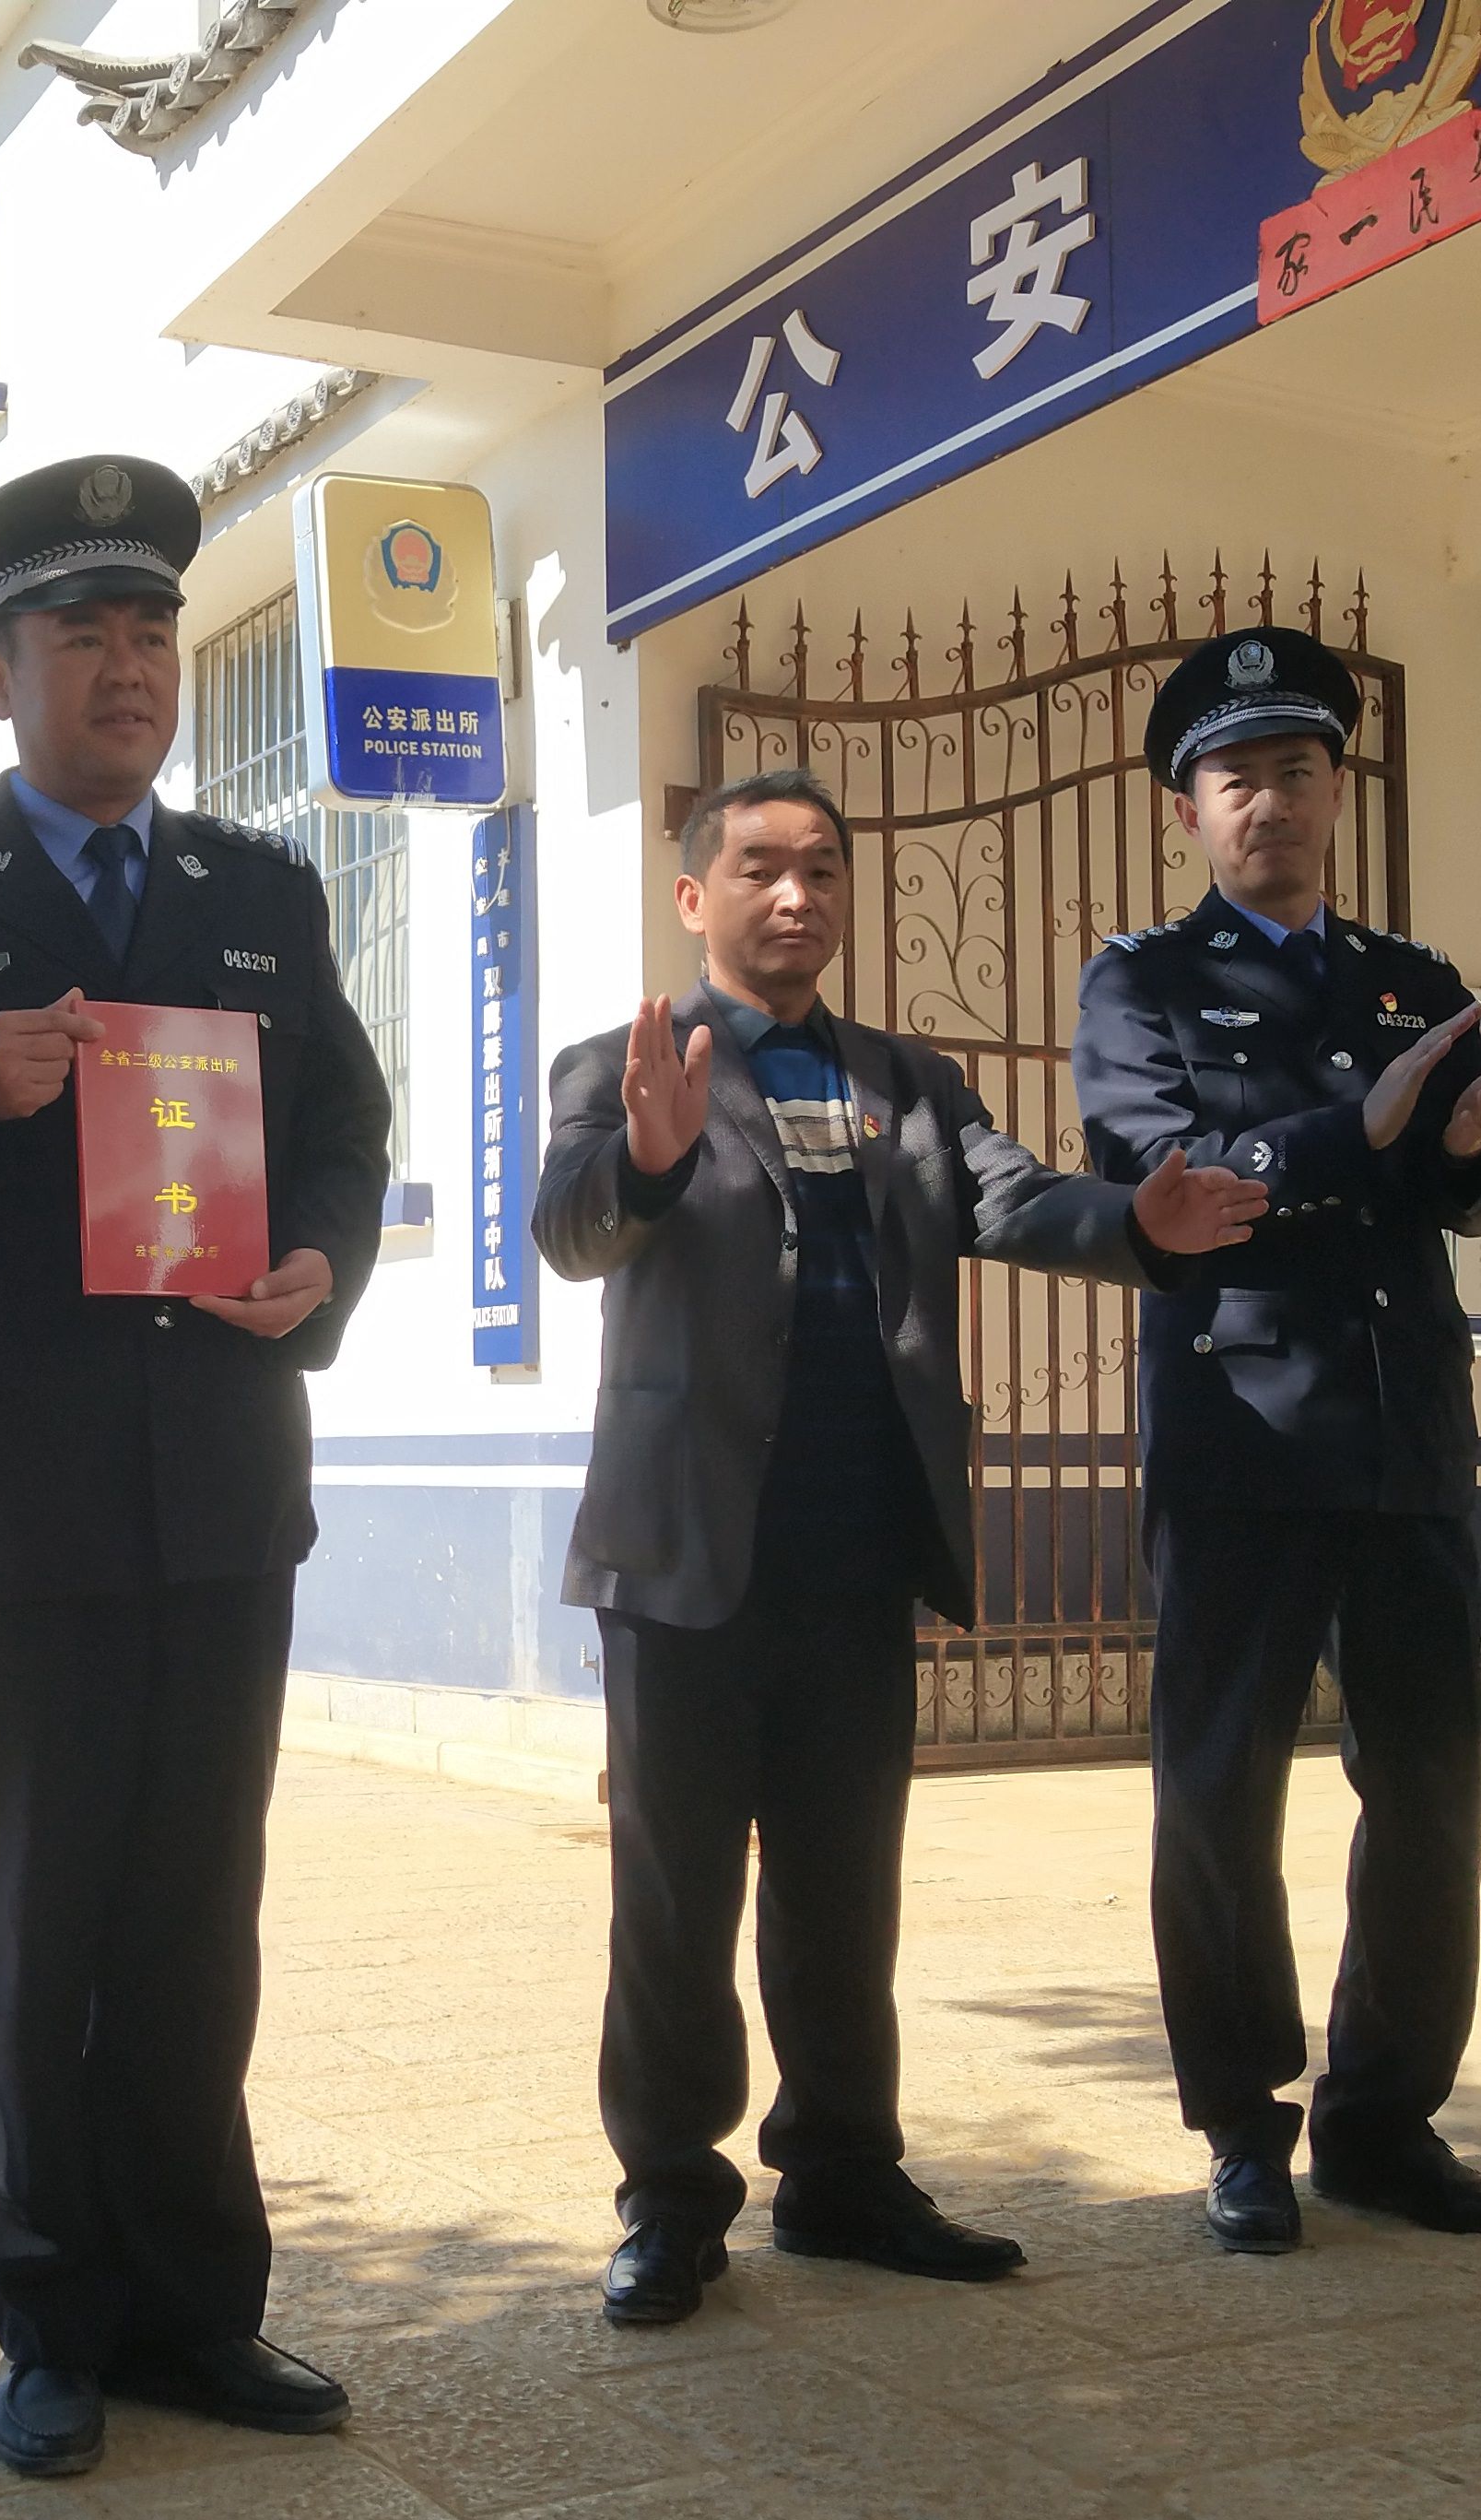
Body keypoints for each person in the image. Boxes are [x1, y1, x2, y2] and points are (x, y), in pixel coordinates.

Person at [0, 453, 392, 2478]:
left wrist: (321, 1268)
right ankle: (48, 2325)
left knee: (197, 1920)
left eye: (152, 633)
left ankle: (198, 2313)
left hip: (219, 1481)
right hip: (5, 1486)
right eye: (80, 636)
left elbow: (343, 1131)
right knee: (32, 1927)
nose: (128, 669)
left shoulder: (259, 894)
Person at [535, 769, 1268, 2327]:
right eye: (759, 868)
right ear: (695, 897)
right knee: (674, 1895)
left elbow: (1009, 1198)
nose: (795, 895)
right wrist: (648, 1160)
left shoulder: (913, 1081)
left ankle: (843, 2176)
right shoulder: (618, 1064)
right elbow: (572, 1228)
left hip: (860, 1540)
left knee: (841, 1883)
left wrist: (1140, 1224)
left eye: (822, 867)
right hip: (684, 1545)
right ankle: (669, 2197)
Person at [1068, 624, 1481, 2257]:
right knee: (1220, 1792)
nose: (1268, 800)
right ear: (1186, 811)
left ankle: (1386, 2120)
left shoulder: (1413, 982)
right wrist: (1364, 1127)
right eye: (1235, 778)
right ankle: (1240, 2125)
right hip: (1243, 1435)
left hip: (1405, 1431)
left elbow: (1475, 1185)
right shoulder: (1139, 982)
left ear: (1338, 791)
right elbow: (1161, 1170)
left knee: (1431, 1789)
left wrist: (1469, 1145)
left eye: (1295, 769)